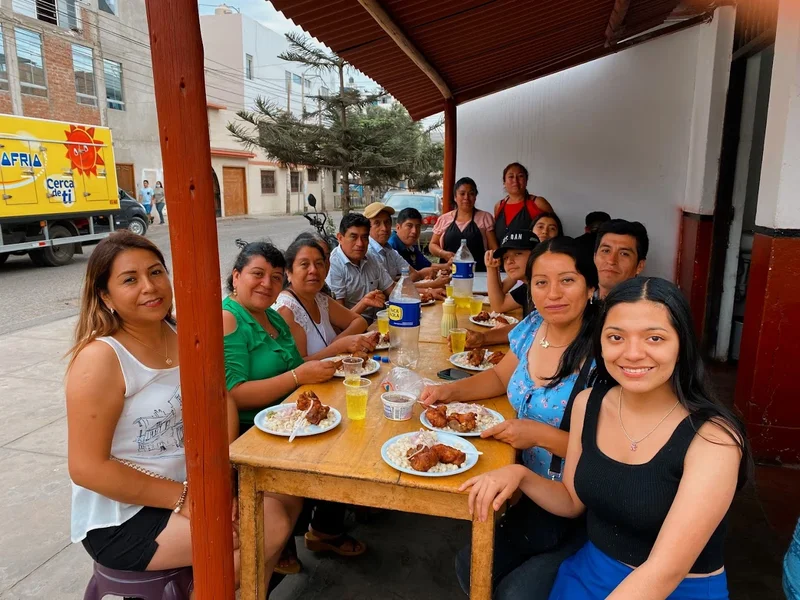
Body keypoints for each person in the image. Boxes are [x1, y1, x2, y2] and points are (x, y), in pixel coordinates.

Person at [461, 277, 750, 600]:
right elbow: (572, 501)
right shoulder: (589, 404)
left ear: (682, 344)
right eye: (616, 337)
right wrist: (521, 475)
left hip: (676, 589)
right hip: (589, 573)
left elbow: (664, 571)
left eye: (655, 338)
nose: (633, 353)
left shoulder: (714, 440)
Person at [66, 231, 295, 595]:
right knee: (259, 530)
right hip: (126, 513)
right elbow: (86, 467)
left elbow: (222, 403)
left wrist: (220, 480)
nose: (150, 287)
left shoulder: (184, 335)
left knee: (281, 507)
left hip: (193, 485)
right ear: (105, 296)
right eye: (130, 279)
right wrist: (185, 498)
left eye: (156, 272)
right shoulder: (101, 359)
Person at [422, 237, 599, 600]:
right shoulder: (534, 328)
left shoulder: (605, 353)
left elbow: (609, 453)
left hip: (583, 506)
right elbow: (501, 377)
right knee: (471, 567)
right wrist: (449, 392)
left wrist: (537, 434)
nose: (553, 293)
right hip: (530, 494)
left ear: (591, 287)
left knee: (516, 593)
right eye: (541, 282)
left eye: (567, 280)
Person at [222, 240, 365, 574]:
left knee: (353, 438)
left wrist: (310, 373)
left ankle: (316, 533)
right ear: (236, 276)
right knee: (338, 458)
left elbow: (296, 366)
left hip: (288, 425)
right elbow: (235, 394)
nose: (267, 284)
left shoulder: (272, 316)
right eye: (257, 274)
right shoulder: (230, 319)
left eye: (274, 277)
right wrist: (299, 376)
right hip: (252, 434)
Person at [275, 235, 376, 360]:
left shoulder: (319, 298)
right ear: (288, 272)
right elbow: (296, 366)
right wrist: (338, 347)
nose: (313, 270)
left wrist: (338, 342)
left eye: (319, 264)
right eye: (304, 264)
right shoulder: (287, 309)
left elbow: (359, 321)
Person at [364, 201, 448, 295]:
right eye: (377, 223)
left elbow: (413, 274)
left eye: (387, 222)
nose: (384, 228)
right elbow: (389, 288)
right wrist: (431, 286)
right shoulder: (368, 252)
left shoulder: (389, 250)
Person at [326, 213, 395, 324]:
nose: (360, 244)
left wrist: (424, 292)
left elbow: (393, 291)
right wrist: (364, 303)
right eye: (353, 237)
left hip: (376, 323)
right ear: (340, 238)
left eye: (364, 237)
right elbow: (339, 321)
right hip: (351, 330)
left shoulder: (370, 257)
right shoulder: (333, 265)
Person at [429, 177, 498, 272]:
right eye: (462, 194)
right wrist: (444, 254)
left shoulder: (485, 217)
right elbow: (432, 245)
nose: (466, 198)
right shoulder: (444, 219)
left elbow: (493, 248)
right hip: (448, 273)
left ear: (475, 197)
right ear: (455, 197)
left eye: (471, 194)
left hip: (479, 273)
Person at [494, 163, 554, 243]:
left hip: (533, 254)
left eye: (520, 176)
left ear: (526, 181)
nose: (515, 180)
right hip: (504, 255)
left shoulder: (538, 203)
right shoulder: (499, 206)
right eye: (511, 176)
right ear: (504, 182)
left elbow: (555, 229)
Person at [485, 229, 538, 316]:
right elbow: (498, 306)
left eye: (518, 253)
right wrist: (491, 268)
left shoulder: (546, 288)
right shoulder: (527, 287)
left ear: (536, 255)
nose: (509, 261)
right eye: (505, 257)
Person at [388, 207, 451, 279]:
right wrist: (421, 275)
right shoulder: (391, 248)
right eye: (409, 226)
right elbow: (392, 282)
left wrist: (448, 266)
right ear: (398, 227)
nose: (414, 231)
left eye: (418, 226)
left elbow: (427, 266)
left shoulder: (411, 247)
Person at [594, 219, 648, 299]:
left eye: (624, 254)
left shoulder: (646, 309)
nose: (611, 261)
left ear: (640, 266)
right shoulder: (579, 303)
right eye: (606, 251)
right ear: (594, 257)